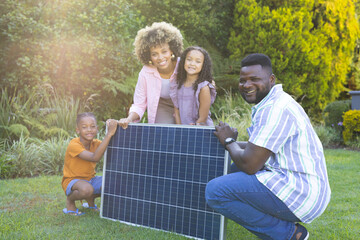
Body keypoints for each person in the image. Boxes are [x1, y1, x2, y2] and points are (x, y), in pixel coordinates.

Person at [205, 53, 331, 239]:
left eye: (254, 79)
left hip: (300, 192)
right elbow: (260, 148)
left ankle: (289, 234)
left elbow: (250, 165)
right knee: (231, 171)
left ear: (271, 79)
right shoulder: (272, 103)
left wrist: (229, 141)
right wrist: (228, 141)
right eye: (242, 80)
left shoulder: (275, 109)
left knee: (215, 191)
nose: (246, 85)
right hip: (300, 186)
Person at [118, 22, 183, 129]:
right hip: (163, 106)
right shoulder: (146, 72)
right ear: (149, 56)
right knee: (163, 135)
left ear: (171, 50)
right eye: (154, 54)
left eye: (164, 51)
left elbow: (201, 84)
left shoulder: (183, 65)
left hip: (185, 105)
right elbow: (139, 104)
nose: (160, 57)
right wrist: (129, 119)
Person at [62, 112, 118, 216]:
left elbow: (110, 146)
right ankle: (70, 201)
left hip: (90, 179)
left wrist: (114, 125)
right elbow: (94, 157)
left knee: (112, 183)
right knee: (87, 189)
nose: (89, 130)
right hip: (73, 180)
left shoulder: (96, 143)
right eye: (84, 127)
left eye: (92, 127)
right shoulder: (74, 145)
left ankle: (90, 202)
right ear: (78, 130)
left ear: (97, 129)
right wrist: (109, 134)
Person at [170, 46, 216, 126]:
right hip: (182, 129)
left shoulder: (203, 88)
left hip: (199, 131)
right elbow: (176, 111)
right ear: (184, 61)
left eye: (198, 61)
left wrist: (192, 129)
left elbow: (203, 118)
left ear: (203, 65)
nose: (192, 64)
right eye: (189, 59)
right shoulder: (177, 84)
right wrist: (180, 129)